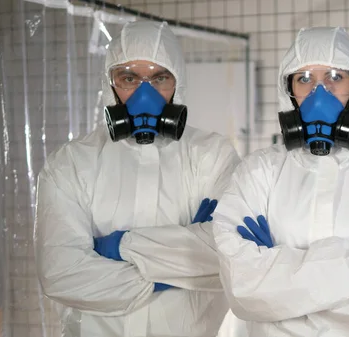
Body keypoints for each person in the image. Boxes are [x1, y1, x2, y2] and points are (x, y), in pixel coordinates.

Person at [211, 26, 349, 337]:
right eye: (304, 79)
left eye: (335, 77)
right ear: (288, 90)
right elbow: (242, 287)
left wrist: (278, 280)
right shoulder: (256, 172)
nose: (320, 95)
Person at [34, 21, 240, 337]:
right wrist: (174, 268)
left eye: (160, 78)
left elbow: (229, 259)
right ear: (110, 83)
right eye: (129, 78)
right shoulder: (71, 164)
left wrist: (119, 248)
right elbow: (61, 275)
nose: (145, 95)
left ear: (178, 83)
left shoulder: (212, 156)